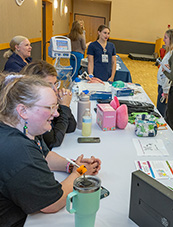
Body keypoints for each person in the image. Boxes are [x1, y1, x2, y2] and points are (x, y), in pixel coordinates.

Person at [0, 75, 101, 226]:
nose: (57, 114)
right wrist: (79, 173)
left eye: (56, 107)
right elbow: (52, 203)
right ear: (23, 110)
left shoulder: (22, 127)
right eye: (50, 108)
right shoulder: (18, 150)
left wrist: (72, 165)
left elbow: (44, 155)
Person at [21, 60, 76, 150]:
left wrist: (65, 105)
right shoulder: (34, 109)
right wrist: (64, 107)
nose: (55, 89)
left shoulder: (48, 100)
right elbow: (54, 141)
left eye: (55, 84)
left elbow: (71, 127)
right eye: (49, 85)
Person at [156, 29, 173, 117]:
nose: (164, 40)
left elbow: (170, 74)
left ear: (172, 39)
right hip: (162, 85)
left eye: (166, 38)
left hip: (165, 88)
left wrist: (165, 90)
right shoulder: (169, 52)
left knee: (162, 112)